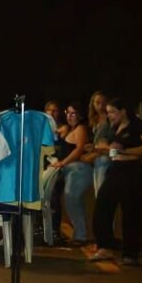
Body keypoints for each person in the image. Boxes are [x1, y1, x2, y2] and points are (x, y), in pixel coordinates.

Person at [86, 95, 142, 265]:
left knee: (131, 213)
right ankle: (104, 247)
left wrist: (126, 151)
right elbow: (111, 148)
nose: (109, 115)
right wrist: (98, 149)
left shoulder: (137, 125)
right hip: (115, 169)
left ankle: (130, 254)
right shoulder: (114, 126)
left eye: (112, 112)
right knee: (102, 207)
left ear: (123, 111)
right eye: (108, 112)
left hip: (132, 172)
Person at [47, 103, 90, 244]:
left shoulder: (81, 129)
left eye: (73, 113)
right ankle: (75, 234)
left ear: (80, 115)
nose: (69, 116)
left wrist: (62, 163)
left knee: (72, 199)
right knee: (66, 199)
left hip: (78, 169)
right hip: (68, 170)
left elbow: (79, 149)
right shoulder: (68, 129)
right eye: (68, 112)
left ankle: (81, 235)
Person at [85, 89, 115, 195]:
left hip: (105, 156)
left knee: (101, 191)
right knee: (97, 190)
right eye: (97, 103)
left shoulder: (110, 118)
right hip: (97, 156)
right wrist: (92, 146)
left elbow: (110, 139)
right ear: (92, 103)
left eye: (103, 103)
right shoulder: (95, 118)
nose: (100, 106)